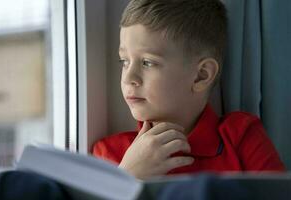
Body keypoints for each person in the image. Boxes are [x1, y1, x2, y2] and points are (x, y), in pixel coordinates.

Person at [91, 0, 285, 180]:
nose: (129, 78)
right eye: (124, 61)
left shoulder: (242, 137)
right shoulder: (111, 154)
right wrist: (130, 177)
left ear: (201, 75)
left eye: (148, 62)